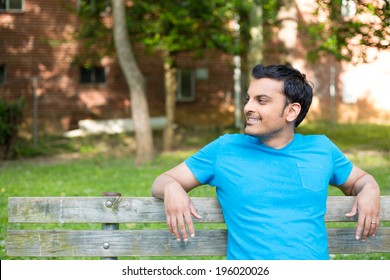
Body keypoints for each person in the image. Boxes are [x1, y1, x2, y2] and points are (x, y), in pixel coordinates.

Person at [151, 64, 380, 260]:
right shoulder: (225, 149)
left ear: (291, 111)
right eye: (248, 99)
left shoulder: (321, 148)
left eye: (262, 100)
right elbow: (165, 180)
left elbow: (358, 181)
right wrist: (172, 188)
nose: (248, 107)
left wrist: (369, 188)